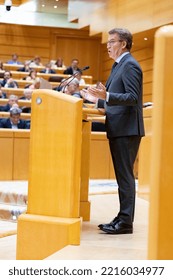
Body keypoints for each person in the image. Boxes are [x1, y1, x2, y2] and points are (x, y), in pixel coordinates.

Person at [81, 28, 145, 235]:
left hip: (127, 129)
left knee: (125, 177)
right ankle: (122, 216)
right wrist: (95, 98)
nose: (107, 45)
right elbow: (112, 99)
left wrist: (105, 95)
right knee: (121, 177)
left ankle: (126, 222)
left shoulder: (130, 65)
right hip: (119, 127)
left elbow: (133, 98)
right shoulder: (118, 66)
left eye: (112, 42)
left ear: (123, 44)